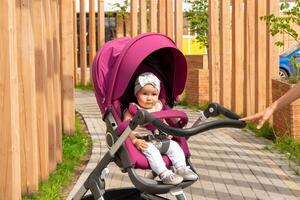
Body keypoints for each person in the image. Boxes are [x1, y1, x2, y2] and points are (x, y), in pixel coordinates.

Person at [123, 72, 198, 185]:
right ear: (136, 94)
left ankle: (182, 168)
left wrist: (175, 125)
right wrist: (135, 140)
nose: (149, 98)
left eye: (154, 94)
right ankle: (164, 174)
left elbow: (169, 119)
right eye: (145, 94)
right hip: (144, 142)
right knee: (152, 151)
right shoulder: (133, 109)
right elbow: (125, 127)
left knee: (175, 146)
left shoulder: (159, 106)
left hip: (161, 139)